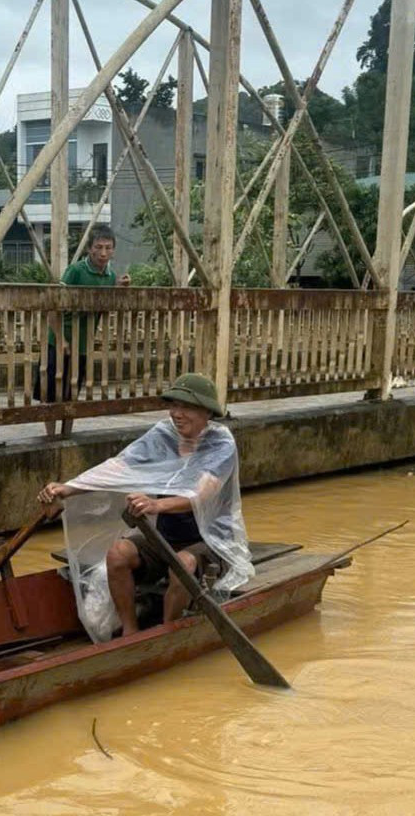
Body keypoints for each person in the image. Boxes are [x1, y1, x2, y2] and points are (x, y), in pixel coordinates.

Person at [37, 373, 252, 640]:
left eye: (186, 407)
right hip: (165, 537)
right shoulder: (164, 435)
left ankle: (166, 633)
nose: (177, 414)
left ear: (207, 412)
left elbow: (201, 495)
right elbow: (119, 466)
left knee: (183, 565)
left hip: (209, 540)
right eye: (174, 405)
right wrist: (69, 488)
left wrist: (156, 504)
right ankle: (130, 632)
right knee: (118, 554)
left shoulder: (221, 443)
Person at [36, 224, 131, 438]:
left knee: (72, 392)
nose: (103, 253)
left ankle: (66, 435)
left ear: (113, 250)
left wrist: (118, 289)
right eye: (99, 247)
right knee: (51, 392)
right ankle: (51, 436)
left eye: (108, 248)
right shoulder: (76, 271)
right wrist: (60, 339)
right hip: (59, 340)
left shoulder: (110, 276)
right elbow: (53, 307)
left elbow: (105, 306)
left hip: (83, 344)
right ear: (90, 248)